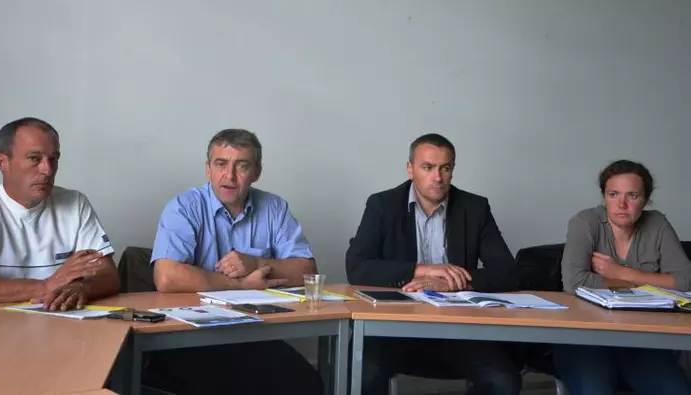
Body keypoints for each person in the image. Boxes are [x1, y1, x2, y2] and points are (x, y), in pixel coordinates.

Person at [145, 128, 322, 395]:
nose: (229, 176)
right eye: (220, 164)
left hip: (253, 335)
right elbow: (166, 277)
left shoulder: (275, 208)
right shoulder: (183, 207)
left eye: (242, 166)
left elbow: (307, 270)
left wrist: (255, 262)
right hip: (188, 338)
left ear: (256, 172)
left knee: (307, 384)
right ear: (208, 169)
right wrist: (241, 285)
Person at [346, 133, 521, 395]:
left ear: (452, 170)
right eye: (428, 167)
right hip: (393, 329)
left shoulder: (475, 208)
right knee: (362, 373)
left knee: (503, 381)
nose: (437, 177)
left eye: (445, 168)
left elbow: (508, 272)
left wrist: (447, 283)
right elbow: (357, 267)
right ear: (410, 169)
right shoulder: (382, 205)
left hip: (458, 329)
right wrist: (422, 270)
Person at [0, 117, 119, 310]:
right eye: (34, 159)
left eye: (53, 159)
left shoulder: (75, 203)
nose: (47, 170)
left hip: (59, 326)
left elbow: (108, 276)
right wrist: (44, 286)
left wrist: (82, 288)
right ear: (2, 162)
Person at [555, 159, 691, 395]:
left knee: (676, 390)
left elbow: (686, 281)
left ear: (646, 200)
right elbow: (574, 282)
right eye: (613, 194)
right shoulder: (585, 222)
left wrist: (620, 273)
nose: (622, 204)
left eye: (633, 196)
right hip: (586, 337)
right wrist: (651, 281)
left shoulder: (657, 223)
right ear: (604, 196)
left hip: (643, 338)